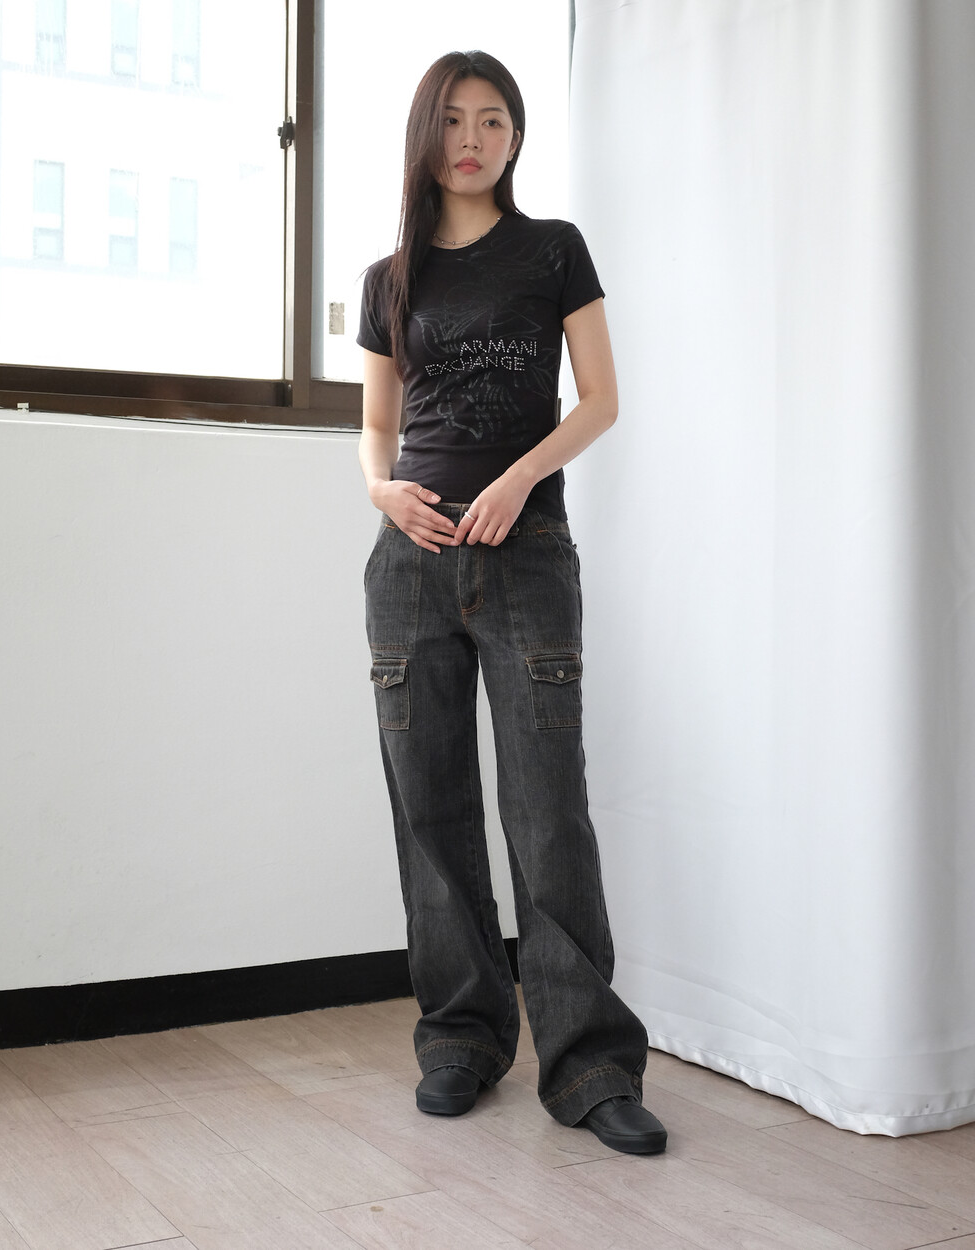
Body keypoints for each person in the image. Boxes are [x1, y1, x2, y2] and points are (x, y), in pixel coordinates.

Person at [356, 50, 666, 1156]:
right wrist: (381, 489)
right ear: (426, 135)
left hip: (524, 550)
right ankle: (460, 1038)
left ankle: (590, 1066)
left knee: (547, 813)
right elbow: (375, 426)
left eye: (494, 120)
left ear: (517, 137)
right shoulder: (390, 277)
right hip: (411, 562)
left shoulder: (553, 249)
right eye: (453, 120)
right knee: (429, 810)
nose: (473, 139)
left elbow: (601, 400)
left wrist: (518, 478)